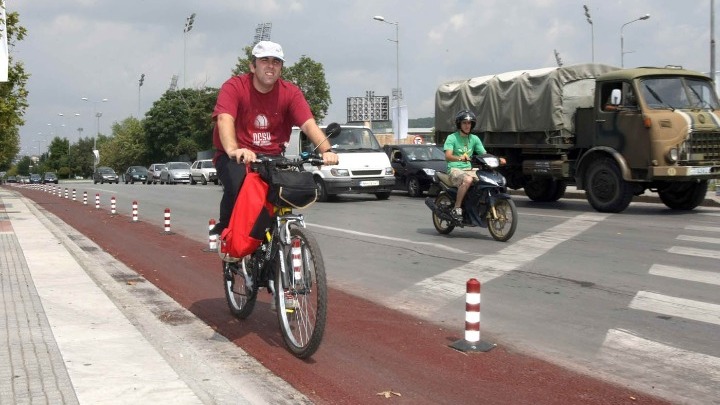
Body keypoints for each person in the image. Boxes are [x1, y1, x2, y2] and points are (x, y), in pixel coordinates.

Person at [210, 40, 339, 235]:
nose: (271, 66)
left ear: (281, 68)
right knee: (239, 185)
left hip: (272, 156)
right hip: (237, 155)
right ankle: (227, 232)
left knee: (288, 190)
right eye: (265, 60)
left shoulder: (290, 93)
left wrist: (326, 150)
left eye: (276, 62)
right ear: (252, 66)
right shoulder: (235, 87)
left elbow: (308, 124)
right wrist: (233, 150)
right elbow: (224, 118)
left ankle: (276, 242)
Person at [444, 110, 487, 221]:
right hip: (455, 169)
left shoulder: (474, 139)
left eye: (469, 123)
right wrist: (459, 158)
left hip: (469, 169)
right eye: (464, 123)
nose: (467, 125)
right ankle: (457, 207)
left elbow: (484, 154)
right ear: (459, 124)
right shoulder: (452, 138)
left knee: (486, 180)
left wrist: (496, 158)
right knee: (468, 180)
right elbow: (448, 156)